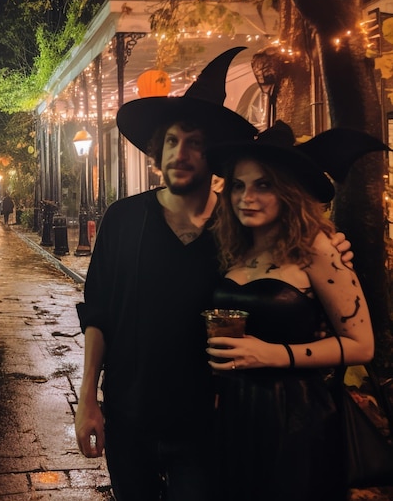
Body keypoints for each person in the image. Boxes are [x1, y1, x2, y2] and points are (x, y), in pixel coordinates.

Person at [74, 47, 355, 501]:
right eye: (171, 140)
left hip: (211, 423)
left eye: (195, 143)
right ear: (157, 149)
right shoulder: (122, 219)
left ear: (215, 157)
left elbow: (292, 258)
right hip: (130, 415)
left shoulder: (240, 227)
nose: (180, 153)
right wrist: (88, 399)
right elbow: (98, 313)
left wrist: (332, 247)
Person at [204, 120, 384, 501]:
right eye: (238, 185)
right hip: (236, 411)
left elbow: (361, 345)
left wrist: (271, 354)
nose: (246, 197)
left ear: (288, 191)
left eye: (263, 184)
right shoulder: (234, 250)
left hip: (298, 417)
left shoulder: (318, 248)